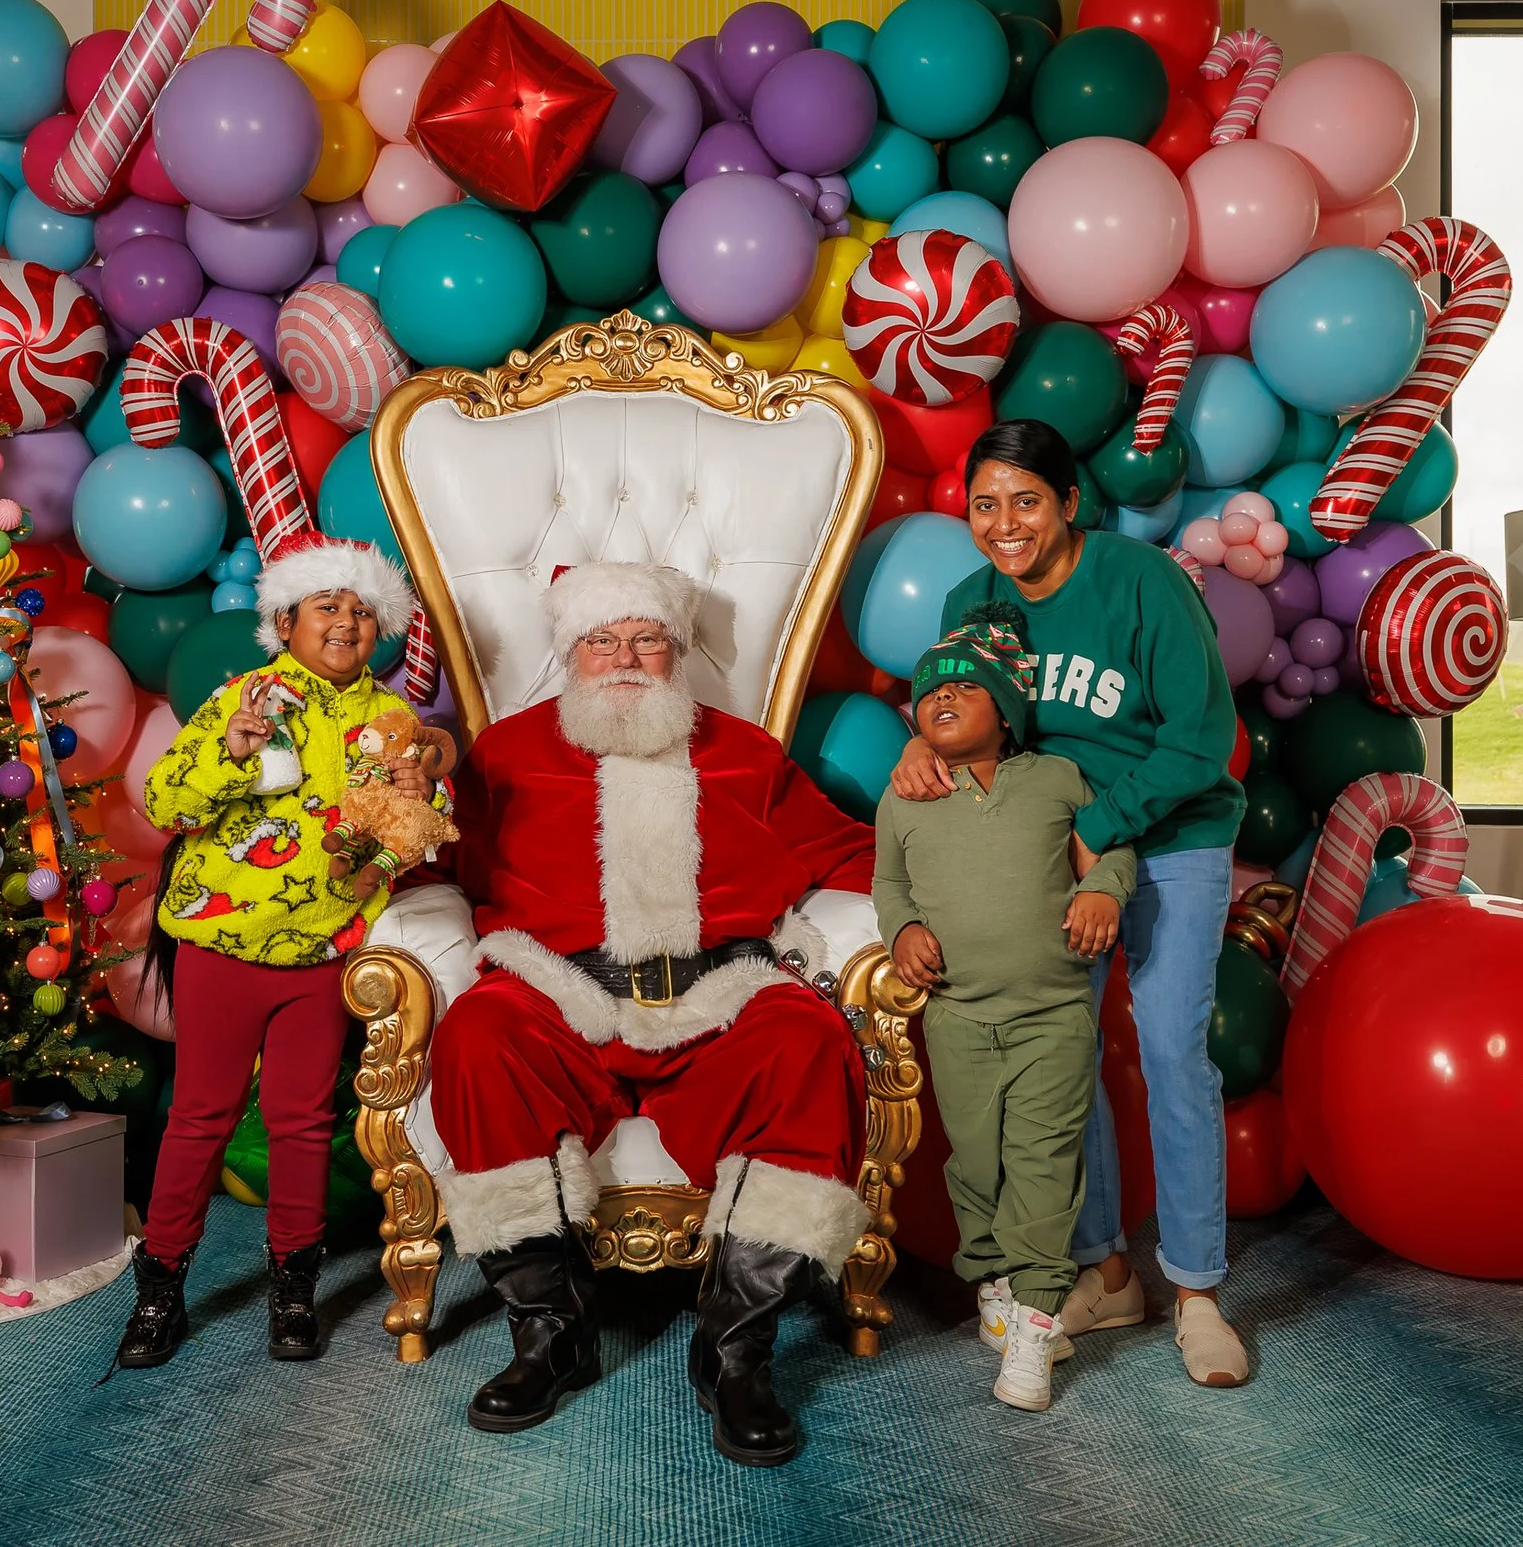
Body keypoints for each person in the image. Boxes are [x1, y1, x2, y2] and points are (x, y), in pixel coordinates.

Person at [425, 561, 875, 1468]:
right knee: (476, 1033)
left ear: (675, 651)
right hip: (560, 997)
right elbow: (422, 858)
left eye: (646, 639)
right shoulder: (506, 756)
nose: (624, 658)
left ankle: (737, 1348)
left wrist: (950, 811)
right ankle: (550, 1331)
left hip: (717, 1001)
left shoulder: (745, 754)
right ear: (569, 652)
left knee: (810, 1038)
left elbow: (856, 852)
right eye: (602, 640)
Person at [888, 419, 1250, 1388]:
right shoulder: (976, 598)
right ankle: (1107, 1268)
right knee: (1064, 1057)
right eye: (984, 504)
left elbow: (1202, 734)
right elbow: (956, 701)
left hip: (1167, 837)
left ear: (1067, 505)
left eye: (1025, 501)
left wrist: (1110, 823)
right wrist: (923, 741)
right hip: (1053, 852)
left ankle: (1199, 1293)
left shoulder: (1141, 581)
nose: (1004, 523)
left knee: (1172, 1049)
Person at [112, 534, 447, 1372]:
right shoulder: (244, 698)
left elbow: (415, 842)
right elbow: (163, 800)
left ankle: (293, 1288)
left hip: (324, 955)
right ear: (285, 621)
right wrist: (230, 753)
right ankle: (159, 1288)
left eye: (363, 611)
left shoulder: (393, 724)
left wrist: (421, 794)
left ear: (384, 632)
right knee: (200, 1119)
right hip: (225, 945)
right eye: (327, 607)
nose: (347, 622)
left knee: (300, 1123)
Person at [874, 600, 1134, 1412]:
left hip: (1053, 1014)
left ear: (1009, 709)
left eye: (965, 688)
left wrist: (1101, 890)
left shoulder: (1055, 780)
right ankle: (990, 1281)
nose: (942, 699)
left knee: (1044, 1165)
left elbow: (1110, 852)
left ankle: (1035, 1323)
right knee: (975, 1163)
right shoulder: (906, 796)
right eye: (929, 693)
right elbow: (889, 881)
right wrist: (903, 926)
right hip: (956, 1017)